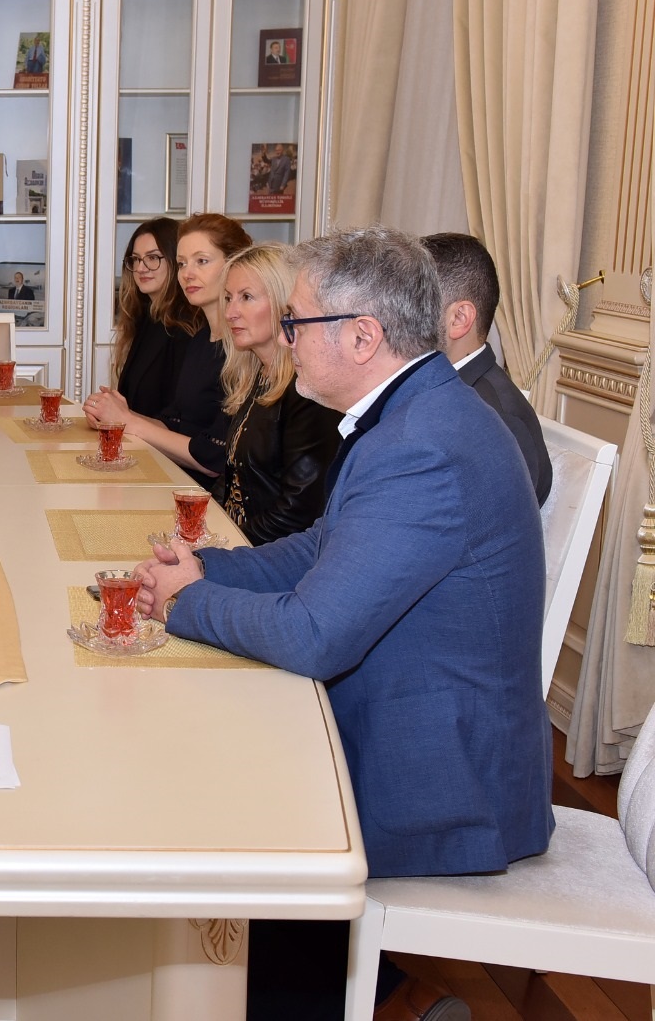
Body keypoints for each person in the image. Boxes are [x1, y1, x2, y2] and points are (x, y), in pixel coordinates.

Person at [135, 226, 550, 1021]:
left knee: (217, 790)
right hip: (423, 724)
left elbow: (313, 634)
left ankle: (364, 998)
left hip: (441, 779)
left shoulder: (419, 445)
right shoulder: (413, 411)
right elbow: (320, 548)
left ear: (362, 336)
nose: (286, 338)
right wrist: (208, 568)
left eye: (297, 321)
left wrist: (186, 603)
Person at [84, 212, 251, 478]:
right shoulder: (202, 340)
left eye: (202, 261)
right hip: (176, 478)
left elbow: (213, 458)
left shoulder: (242, 348)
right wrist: (115, 414)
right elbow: (174, 423)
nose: (188, 274)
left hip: (203, 492)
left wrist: (127, 421)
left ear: (235, 264)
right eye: (182, 263)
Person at [212, 242, 341, 544]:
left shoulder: (306, 390)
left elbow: (296, 515)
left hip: (269, 556)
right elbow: (231, 477)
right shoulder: (259, 375)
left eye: (246, 297)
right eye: (228, 298)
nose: (230, 312)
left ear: (285, 305)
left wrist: (223, 548)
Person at [425, 231, 552, 504]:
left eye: (413, 305)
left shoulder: (498, 422)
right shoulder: (439, 387)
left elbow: (493, 527)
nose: (397, 318)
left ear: (459, 319)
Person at [92, 217, 200, 424]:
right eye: (136, 259)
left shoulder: (187, 327)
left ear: (176, 261)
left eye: (153, 258)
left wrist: (119, 417)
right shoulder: (145, 318)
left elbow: (178, 422)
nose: (141, 268)